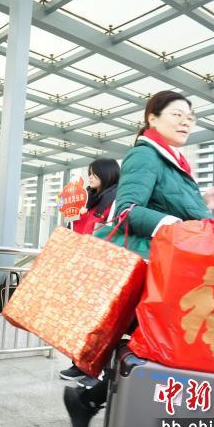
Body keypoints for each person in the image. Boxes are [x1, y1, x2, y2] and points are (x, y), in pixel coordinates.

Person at [63, 91, 214, 427]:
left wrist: (204, 202)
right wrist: (178, 224)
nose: (186, 121)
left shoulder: (172, 160)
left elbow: (166, 204)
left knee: (150, 348)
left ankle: (91, 403)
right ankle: (101, 407)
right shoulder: (145, 154)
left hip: (168, 272)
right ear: (152, 118)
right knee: (155, 347)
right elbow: (127, 210)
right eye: (177, 114)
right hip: (152, 271)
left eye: (190, 117)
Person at [60, 158, 120, 387]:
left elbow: (107, 230)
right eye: (90, 173)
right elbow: (76, 228)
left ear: (108, 174)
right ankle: (79, 363)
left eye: (95, 174)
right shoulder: (88, 198)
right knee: (80, 320)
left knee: (98, 323)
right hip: (81, 265)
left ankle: (98, 370)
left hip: (100, 268)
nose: (91, 177)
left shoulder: (114, 199)